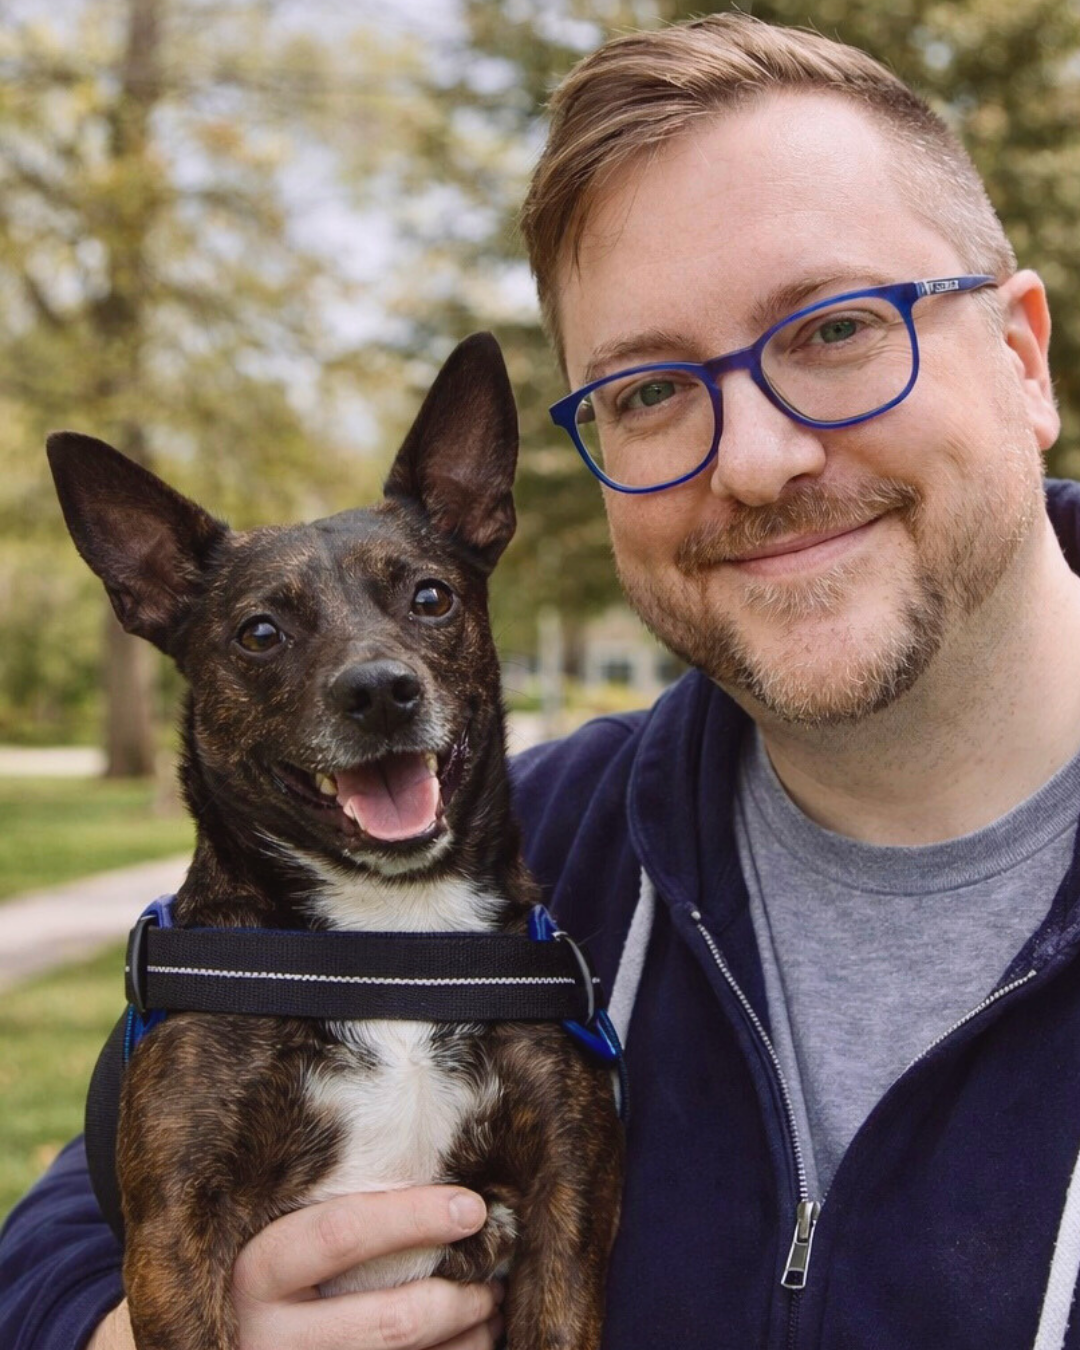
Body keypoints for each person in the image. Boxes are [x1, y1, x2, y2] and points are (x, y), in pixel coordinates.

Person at [5, 11, 1080, 1348]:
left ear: (1025, 356)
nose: (755, 456)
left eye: (836, 326)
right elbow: (62, 1220)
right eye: (647, 391)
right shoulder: (551, 841)